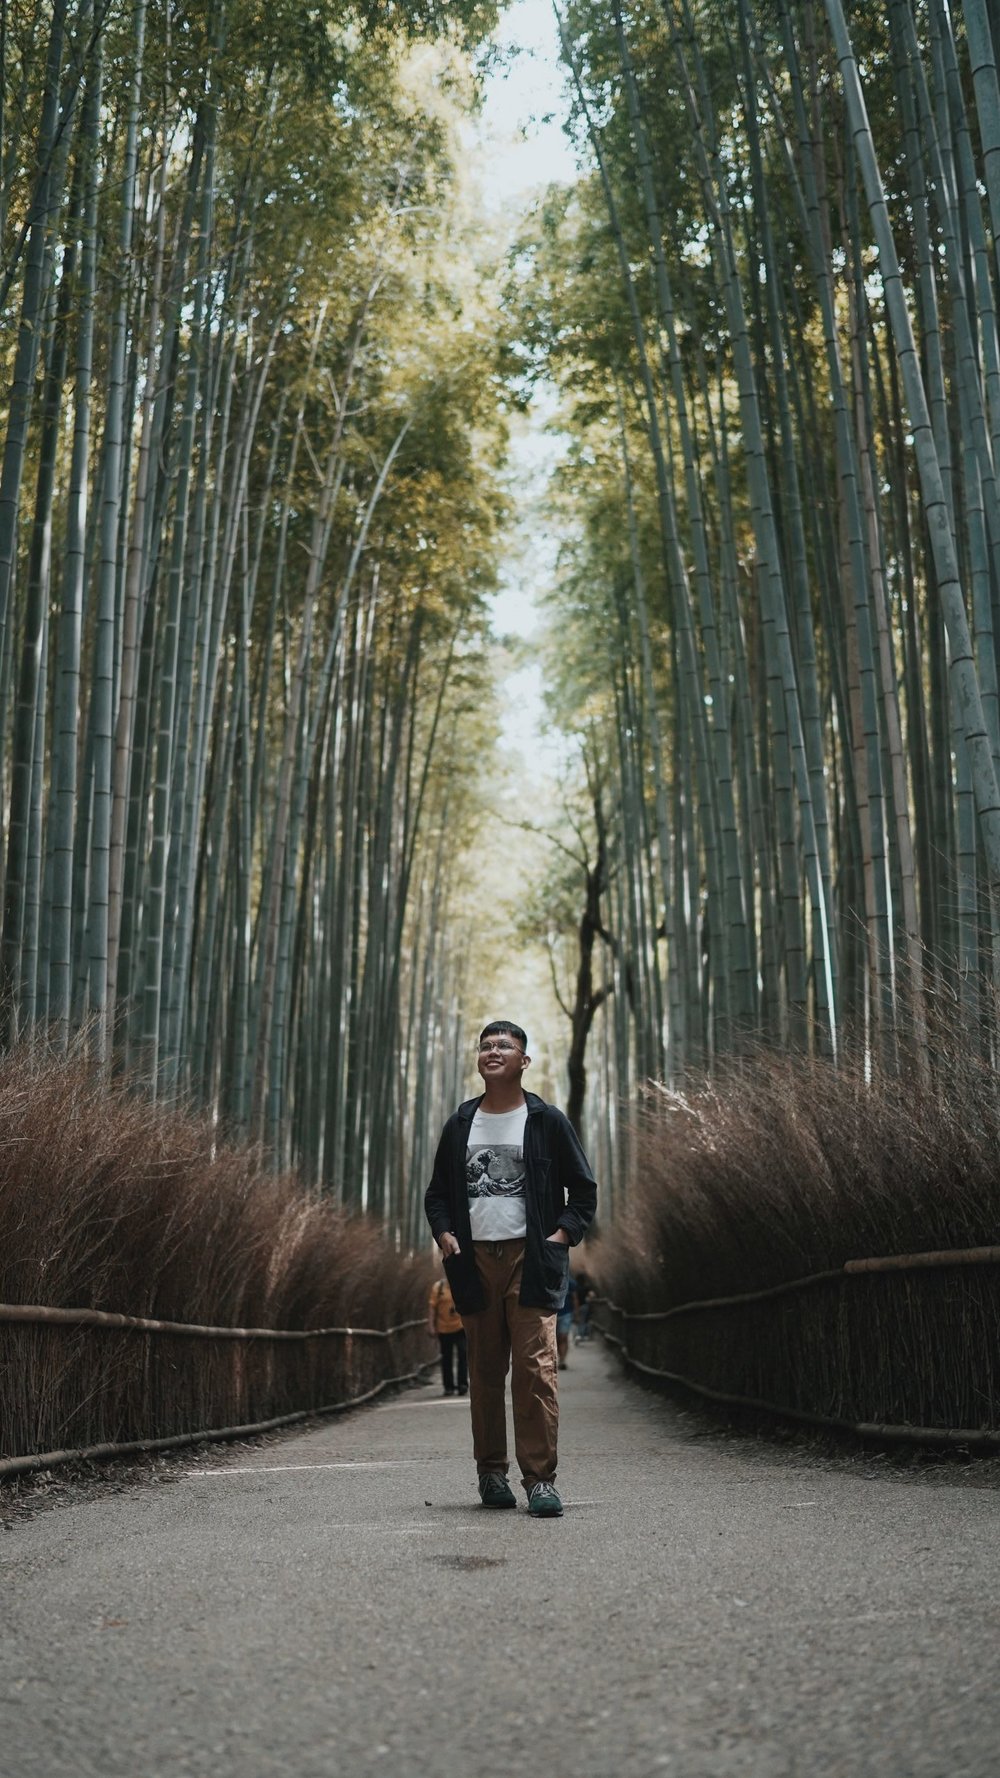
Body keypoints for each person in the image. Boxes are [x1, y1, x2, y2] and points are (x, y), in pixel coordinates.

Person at [424, 1019, 598, 1519]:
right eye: (486, 1045)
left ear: (524, 1061)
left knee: (535, 1368)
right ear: (479, 1060)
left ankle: (540, 1480)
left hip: (530, 1257)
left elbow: (582, 1191)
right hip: (474, 1261)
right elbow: (437, 1195)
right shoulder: (460, 1124)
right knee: (483, 1370)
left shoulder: (546, 1121)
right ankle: (492, 1472)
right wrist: (444, 1233)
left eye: (505, 1045)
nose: (493, 1050)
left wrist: (560, 1237)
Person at [427, 1269, 467, 1397]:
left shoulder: (462, 1286)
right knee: (446, 1357)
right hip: (443, 1328)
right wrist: (431, 1326)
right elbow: (432, 1308)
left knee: (463, 1355)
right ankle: (448, 1386)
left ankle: (462, 1384)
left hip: (460, 1327)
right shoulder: (438, 1288)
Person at [556, 1270, 579, 1369]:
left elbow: (575, 1298)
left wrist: (576, 1313)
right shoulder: (550, 1280)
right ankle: (560, 1357)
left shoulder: (571, 1282)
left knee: (563, 1337)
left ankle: (563, 1360)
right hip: (554, 1314)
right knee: (557, 1338)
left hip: (566, 1314)